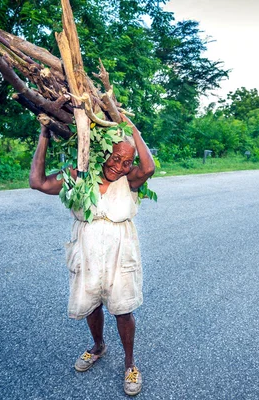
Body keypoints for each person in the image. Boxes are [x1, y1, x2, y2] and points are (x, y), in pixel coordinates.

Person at [29, 115, 155, 396]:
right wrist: (45, 133)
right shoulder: (79, 175)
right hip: (86, 250)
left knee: (123, 309)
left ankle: (130, 363)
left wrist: (129, 125)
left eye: (126, 162)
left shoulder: (129, 180)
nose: (119, 167)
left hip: (120, 250)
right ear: (104, 152)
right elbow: (37, 182)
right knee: (91, 304)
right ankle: (98, 346)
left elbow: (148, 167)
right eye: (116, 158)